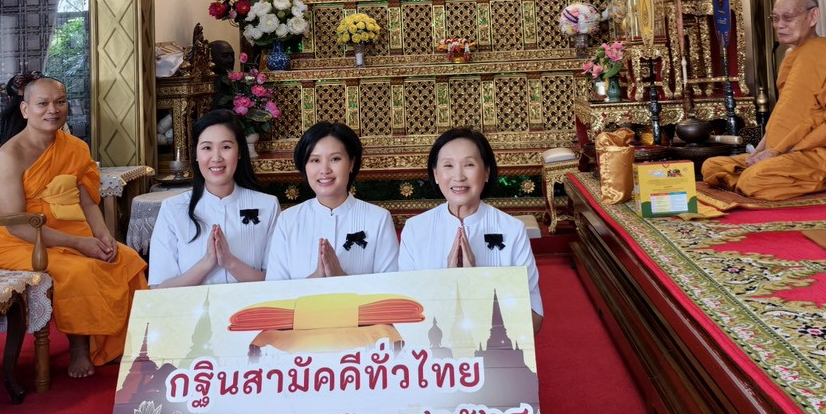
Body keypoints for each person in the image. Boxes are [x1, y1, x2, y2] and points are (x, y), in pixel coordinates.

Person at [0, 76, 147, 378]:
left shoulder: (74, 147)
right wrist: (79, 244)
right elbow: (15, 225)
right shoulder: (10, 156)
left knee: (126, 259)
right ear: (24, 109)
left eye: (60, 102)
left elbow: (87, 202)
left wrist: (103, 236)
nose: (53, 110)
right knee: (79, 270)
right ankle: (80, 348)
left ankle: (123, 344)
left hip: (70, 232)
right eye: (43, 103)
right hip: (19, 243)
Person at [701, 0, 826, 201]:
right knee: (712, 166)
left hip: (821, 153)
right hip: (783, 152)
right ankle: (774, 178)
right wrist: (758, 153)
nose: (779, 25)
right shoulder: (792, 58)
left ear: (813, 16)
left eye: (788, 18)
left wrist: (776, 153)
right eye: (775, 18)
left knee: (752, 180)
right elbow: (783, 118)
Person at [398, 127, 543, 331]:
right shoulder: (415, 229)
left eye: (469, 165)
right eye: (448, 165)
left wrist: (477, 285)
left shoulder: (513, 230)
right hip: (433, 356)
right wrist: (448, 284)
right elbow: (405, 317)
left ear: (486, 172)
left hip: (496, 355)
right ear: (436, 174)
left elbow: (534, 321)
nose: (458, 176)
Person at [149, 110, 280, 287]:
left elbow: (278, 282)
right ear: (196, 154)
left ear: (240, 152)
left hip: (250, 310)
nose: (216, 158)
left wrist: (230, 262)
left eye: (226, 147)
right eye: (207, 148)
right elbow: (158, 288)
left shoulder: (268, 205)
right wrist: (208, 262)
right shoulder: (172, 209)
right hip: (192, 312)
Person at [266, 122, 398, 279]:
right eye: (315, 160)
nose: (325, 170)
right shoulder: (288, 220)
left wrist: (340, 276)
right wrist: (316, 277)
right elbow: (275, 291)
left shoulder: (378, 219)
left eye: (335, 159)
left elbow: (390, 288)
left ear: (351, 163)